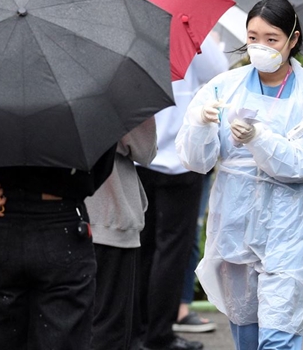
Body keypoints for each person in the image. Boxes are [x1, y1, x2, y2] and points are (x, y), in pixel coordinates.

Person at [175, 0, 303, 350]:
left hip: (287, 232)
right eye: (252, 38)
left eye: (271, 39)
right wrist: (200, 125)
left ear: (292, 40)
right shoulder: (224, 86)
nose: (260, 47)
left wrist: (259, 138)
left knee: (279, 334)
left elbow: (302, 163)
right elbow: (196, 161)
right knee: (246, 333)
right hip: (234, 228)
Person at [0, 145, 116, 350]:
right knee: (64, 335)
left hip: (0, 215)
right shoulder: (80, 113)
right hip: (59, 216)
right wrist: (76, 187)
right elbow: (103, 157)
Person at [136, 34, 228, 350]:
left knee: (140, 247)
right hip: (181, 157)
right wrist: (204, 38)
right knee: (172, 250)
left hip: (140, 152)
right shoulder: (189, 28)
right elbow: (219, 69)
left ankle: (137, 331)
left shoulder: (135, 21)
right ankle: (158, 335)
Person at [85, 117, 157, 350]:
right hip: (108, 214)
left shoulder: (28, 87)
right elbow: (144, 150)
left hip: (50, 216)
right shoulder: (120, 84)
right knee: (108, 326)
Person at [173, 168, 217, 334]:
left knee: (187, 235)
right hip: (185, 164)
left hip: (194, 165)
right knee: (188, 235)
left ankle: (180, 308)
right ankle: (180, 310)